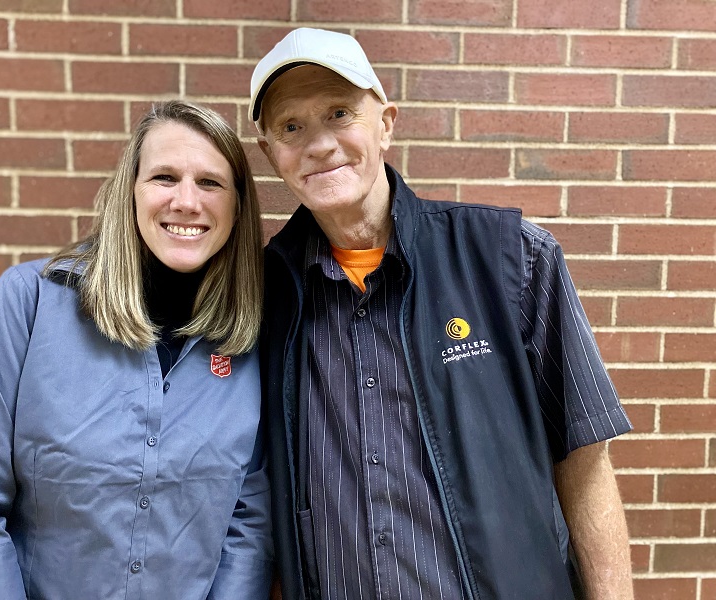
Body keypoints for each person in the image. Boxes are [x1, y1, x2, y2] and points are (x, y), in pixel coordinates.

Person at [251, 27, 634, 599]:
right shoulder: (265, 292)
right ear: (270, 154)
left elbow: (585, 461)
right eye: (291, 126)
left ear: (385, 123)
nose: (320, 144)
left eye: (339, 112)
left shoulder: (511, 257)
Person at [0, 101, 273, 599]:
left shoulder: (249, 338)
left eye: (211, 183)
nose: (186, 202)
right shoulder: (30, 303)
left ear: (238, 207)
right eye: (164, 177)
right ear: (130, 192)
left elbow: (249, 523)